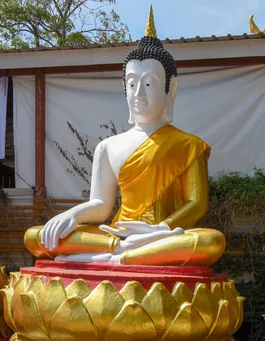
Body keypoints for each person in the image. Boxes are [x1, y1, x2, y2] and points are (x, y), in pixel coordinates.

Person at [24, 5, 225, 267]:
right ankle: (120, 251)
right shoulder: (108, 147)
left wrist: (160, 229)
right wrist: (73, 215)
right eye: (132, 84)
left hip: (161, 235)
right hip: (117, 234)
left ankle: (112, 259)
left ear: (171, 89)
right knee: (37, 237)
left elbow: (197, 204)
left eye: (149, 83)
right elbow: (101, 204)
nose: (139, 93)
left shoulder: (188, 145)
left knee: (212, 241)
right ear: (124, 89)